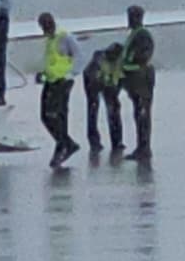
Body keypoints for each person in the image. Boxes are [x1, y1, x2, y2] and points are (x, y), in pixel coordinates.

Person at [36, 12, 82, 167]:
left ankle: (63, 145)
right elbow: (53, 62)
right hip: (51, 81)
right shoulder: (50, 40)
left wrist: (71, 74)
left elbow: (78, 55)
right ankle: (65, 143)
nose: (44, 29)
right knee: (45, 116)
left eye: (46, 25)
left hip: (62, 82)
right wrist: (43, 74)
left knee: (58, 115)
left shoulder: (64, 37)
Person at [120, 5, 157, 160]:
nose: (129, 19)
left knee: (143, 113)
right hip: (134, 77)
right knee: (139, 113)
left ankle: (144, 148)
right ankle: (141, 147)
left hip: (141, 77)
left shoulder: (142, 35)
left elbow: (142, 56)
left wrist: (129, 64)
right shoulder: (134, 34)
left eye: (132, 16)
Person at [83, 43, 126, 155]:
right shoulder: (98, 61)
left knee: (114, 109)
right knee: (93, 109)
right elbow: (94, 79)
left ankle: (117, 142)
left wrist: (115, 92)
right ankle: (94, 142)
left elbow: (122, 79)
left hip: (109, 82)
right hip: (92, 82)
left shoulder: (121, 60)